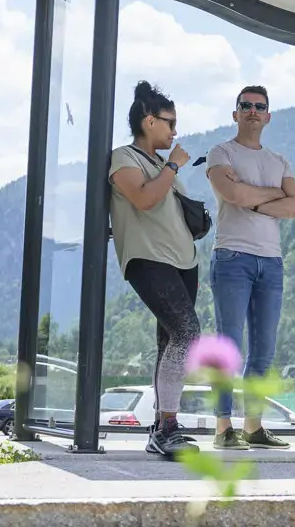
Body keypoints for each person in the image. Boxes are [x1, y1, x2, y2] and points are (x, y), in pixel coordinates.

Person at [107, 81, 203, 459]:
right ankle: (168, 425)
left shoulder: (161, 165)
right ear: (149, 121)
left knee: (171, 342)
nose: (174, 131)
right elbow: (144, 199)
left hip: (184, 261)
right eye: (169, 122)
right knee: (188, 332)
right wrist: (175, 164)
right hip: (147, 260)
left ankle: (160, 431)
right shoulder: (123, 158)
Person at [204, 86, 295, 451]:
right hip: (232, 257)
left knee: (264, 349)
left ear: (268, 116)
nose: (253, 111)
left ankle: (254, 427)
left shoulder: (279, 160)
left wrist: (252, 197)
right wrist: (272, 195)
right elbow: (234, 196)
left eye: (260, 107)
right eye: (245, 105)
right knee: (229, 344)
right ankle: (222, 427)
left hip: (271, 262)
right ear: (235, 113)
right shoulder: (221, 152)